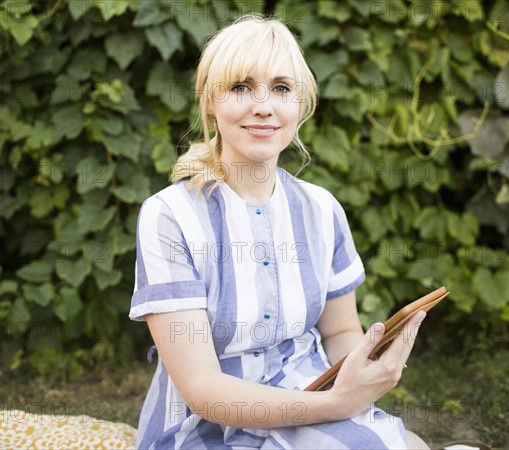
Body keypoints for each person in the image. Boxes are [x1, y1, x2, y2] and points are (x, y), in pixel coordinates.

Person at [129, 14, 430, 450]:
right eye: (240, 87)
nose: (264, 106)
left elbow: (339, 333)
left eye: (282, 88)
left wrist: (363, 369)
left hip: (313, 405)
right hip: (207, 429)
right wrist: (340, 406)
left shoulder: (321, 209)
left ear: (300, 104)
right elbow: (203, 390)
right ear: (209, 100)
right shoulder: (168, 216)